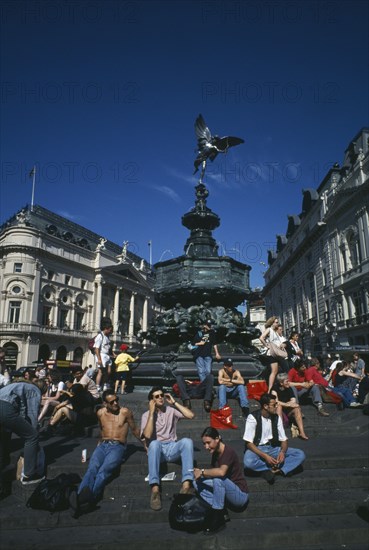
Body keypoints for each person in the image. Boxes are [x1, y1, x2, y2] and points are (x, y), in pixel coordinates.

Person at [69, 389, 142, 516]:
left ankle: (88, 499)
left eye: (116, 400)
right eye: (111, 402)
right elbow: (102, 428)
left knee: (104, 471)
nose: (115, 403)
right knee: (92, 468)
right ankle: (81, 498)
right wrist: (99, 443)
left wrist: (146, 445)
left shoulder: (125, 412)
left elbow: (135, 429)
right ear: (105, 404)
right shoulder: (100, 413)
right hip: (103, 445)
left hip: (118, 447)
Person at [141, 386, 195, 511]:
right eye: (157, 396)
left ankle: (186, 485)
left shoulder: (170, 410)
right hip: (157, 451)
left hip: (171, 447)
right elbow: (147, 435)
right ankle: (155, 489)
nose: (160, 398)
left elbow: (191, 415)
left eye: (161, 395)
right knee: (154, 444)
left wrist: (174, 402)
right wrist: (151, 412)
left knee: (187, 441)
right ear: (152, 400)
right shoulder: (146, 415)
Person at [193, 427, 249, 534]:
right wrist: (198, 473)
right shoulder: (215, 454)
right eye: (204, 444)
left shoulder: (228, 452)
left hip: (240, 495)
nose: (206, 447)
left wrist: (202, 471)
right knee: (196, 482)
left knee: (219, 478)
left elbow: (221, 472)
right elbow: (213, 475)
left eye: (208, 443)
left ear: (217, 439)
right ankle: (220, 508)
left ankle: (218, 518)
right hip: (227, 491)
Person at [243, 393, 306, 485]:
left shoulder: (276, 418)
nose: (277, 407)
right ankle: (279, 468)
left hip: (273, 448)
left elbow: (284, 439)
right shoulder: (253, 417)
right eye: (274, 405)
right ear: (265, 406)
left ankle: (272, 471)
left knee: (300, 454)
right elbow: (248, 443)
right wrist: (265, 456)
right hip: (258, 449)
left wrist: (282, 452)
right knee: (248, 461)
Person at [0, 379, 47, 484]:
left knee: (3, 437)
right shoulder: (35, 390)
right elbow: (32, 414)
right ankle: (29, 476)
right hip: (5, 408)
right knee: (32, 436)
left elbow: (21, 412)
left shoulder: (19, 385)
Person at [271, 373, 308, 440]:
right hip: (278, 410)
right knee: (279, 406)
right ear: (281, 383)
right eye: (287, 381)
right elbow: (275, 401)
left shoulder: (289, 388)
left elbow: (293, 400)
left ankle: (302, 432)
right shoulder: (274, 389)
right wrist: (287, 404)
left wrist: (289, 404)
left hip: (287, 410)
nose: (288, 383)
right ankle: (281, 432)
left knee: (296, 409)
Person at [259, 316, 287, 392]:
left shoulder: (275, 331)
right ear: (272, 323)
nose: (278, 323)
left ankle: (273, 387)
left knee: (276, 371)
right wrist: (266, 345)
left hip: (276, 352)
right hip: (272, 353)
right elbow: (261, 337)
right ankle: (270, 389)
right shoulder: (269, 330)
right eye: (276, 322)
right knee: (274, 371)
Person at [94, 320, 114, 392]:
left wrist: (113, 353)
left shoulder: (107, 337)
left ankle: (105, 384)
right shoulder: (100, 336)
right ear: (106, 328)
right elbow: (96, 348)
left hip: (107, 355)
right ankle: (97, 386)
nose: (111, 332)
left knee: (108, 371)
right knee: (101, 371)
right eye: (110, 330)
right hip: (101, 355)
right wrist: (99, 359)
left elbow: (108, 347)